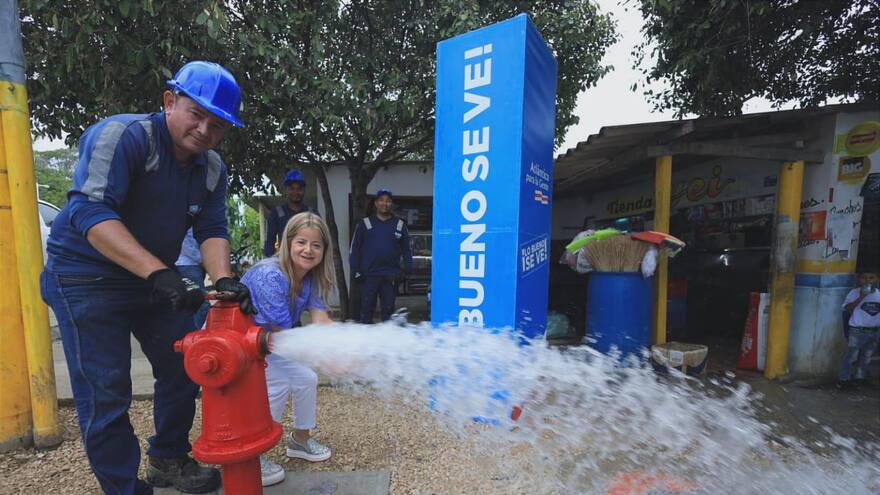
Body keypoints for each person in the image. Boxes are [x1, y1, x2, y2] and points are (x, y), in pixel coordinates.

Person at [40, 60, 256, 495]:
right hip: (85, 277)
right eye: (196, 114)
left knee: (188, 364)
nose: (204, 130)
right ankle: (123, 488)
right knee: (107, 390)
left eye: (217, 124)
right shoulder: (124, 136)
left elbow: (212, 229)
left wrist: (223, 281)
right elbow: (89, 211)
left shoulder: (212, 168)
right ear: (169, 102)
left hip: (150, 276)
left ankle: (168, 459)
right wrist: (159, 272)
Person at [241, 213, 335, 486]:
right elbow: (283, 334)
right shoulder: (271, 275)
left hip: (270, 342)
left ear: (323, 251)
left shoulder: (311, 277)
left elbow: (321, 319)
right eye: (301, 242)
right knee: (279, 381)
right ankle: (254, 455)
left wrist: (344, 349)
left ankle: (300, 441)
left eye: (316, 245)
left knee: (307, 378)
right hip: (243, 343)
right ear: (287, 243)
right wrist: (327, 357)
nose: (308, 250)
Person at [349, 188, 413, 324]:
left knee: (388, 314)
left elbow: (407, 249)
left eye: (388, 201)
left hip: (390, 276)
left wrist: (407, 269)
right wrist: (355, 270)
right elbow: (354, 249)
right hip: (369, 275)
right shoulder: (365, 224)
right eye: (382, 200)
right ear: (376, 203)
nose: (385, 203)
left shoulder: (400, 225)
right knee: (366, 312)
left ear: (392, 204)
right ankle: (366, 344)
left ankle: (387, 343)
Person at [838, 269, 880, 388]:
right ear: (859, 280)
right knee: (851, 356)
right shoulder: (854, 293)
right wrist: (861, 297)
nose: (867, 280)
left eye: (871, 277)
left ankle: (860, 378)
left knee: (866, 356)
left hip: (874, 330)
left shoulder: (878, 294)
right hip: (857, 331)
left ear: (877, 280)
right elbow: (847, 309)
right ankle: (844, 379)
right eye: (864, 277)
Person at [263, 169, 314, 257]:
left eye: (299, 189)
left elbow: (318, 242)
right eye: (292, 189)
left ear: (304, 190)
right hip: (284, 262)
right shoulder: (276, 214)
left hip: (306, 260)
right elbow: (270, 243)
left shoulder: (312, 214)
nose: (295, 192)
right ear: (286, 190)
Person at [175, 228, 210, 329]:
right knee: (201, 303)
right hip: (188, 264)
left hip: (191, 265)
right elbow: (184, 244)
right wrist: (202, 260)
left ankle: (189, 334)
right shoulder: (185, 218)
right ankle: (192, 334)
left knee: (192, 302)